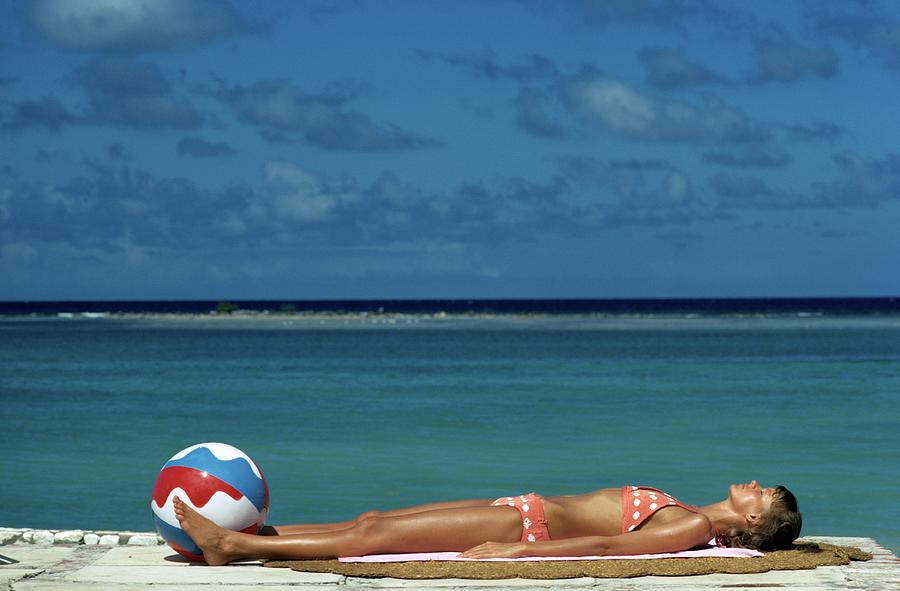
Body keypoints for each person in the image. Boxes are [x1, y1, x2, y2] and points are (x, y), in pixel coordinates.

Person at [172, 480, 801, 565]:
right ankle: (247, 536)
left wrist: (519, 558)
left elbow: (610, 546)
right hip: (520, 513)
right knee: (372, 520)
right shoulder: (690, 509)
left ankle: (229, 545)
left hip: (522, 533)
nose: (754, 481)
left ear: (754, 516)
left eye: (764, 491)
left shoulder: (691, 527)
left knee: (370, 540)